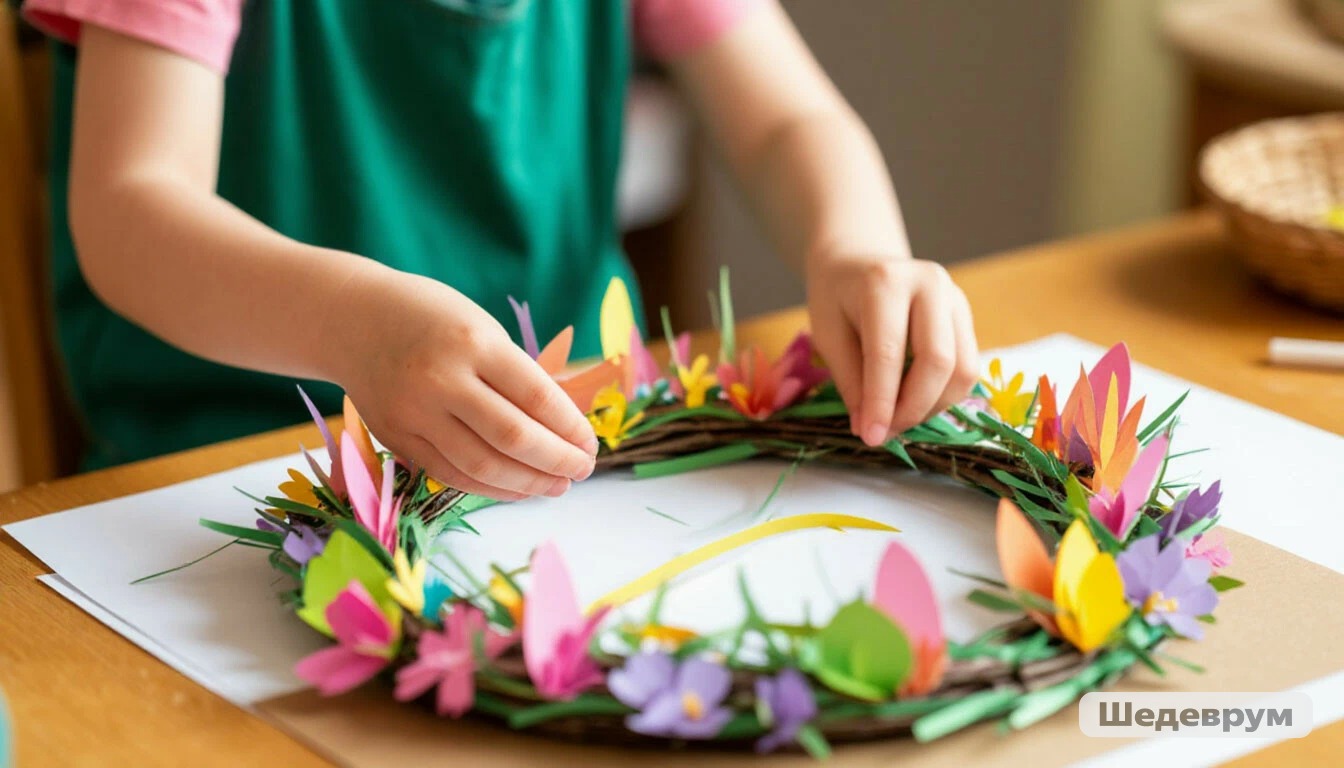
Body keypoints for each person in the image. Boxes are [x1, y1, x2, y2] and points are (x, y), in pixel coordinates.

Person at [22, 0, 979, 499]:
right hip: (240, 469)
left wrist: (856, 246)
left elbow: (784, 122)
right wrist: (354, 330)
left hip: (579, 454)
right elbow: (132, 207)